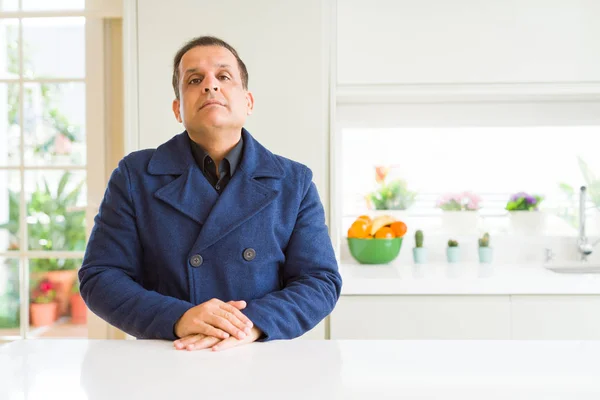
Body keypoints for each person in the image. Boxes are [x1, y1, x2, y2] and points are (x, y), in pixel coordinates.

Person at [78, 36, 342, 352]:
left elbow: (319, 282)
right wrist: (179, 317)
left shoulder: (293, 181)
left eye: (223, 76)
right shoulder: (135, 175)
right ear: (178, 109)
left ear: (248, 102)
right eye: (194, 80)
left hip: (259, 357)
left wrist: (251, 324)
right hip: (167, 356)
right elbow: (101, 277)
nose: (210, 85)